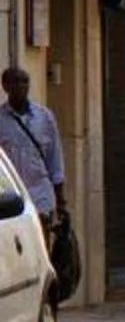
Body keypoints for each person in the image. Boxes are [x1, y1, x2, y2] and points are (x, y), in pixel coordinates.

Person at [0, 64, 65, 229]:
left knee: (41, 243)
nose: (21, 86)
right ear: (5, 86)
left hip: (40, 196)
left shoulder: (44, 117)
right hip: (12, 198)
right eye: (16, 82)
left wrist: (60, 199)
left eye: (25, 81)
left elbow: (54, 159)